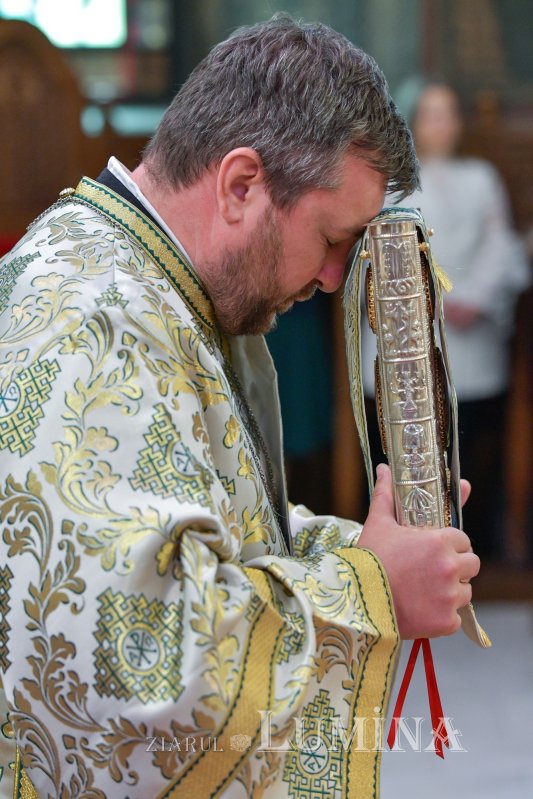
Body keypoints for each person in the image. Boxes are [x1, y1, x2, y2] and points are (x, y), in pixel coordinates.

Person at [0, 19, 479, 799]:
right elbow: (136, 668)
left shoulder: (146, 285)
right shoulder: (93, 320)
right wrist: (370, 587)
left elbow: (206, 521)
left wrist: (367, 544)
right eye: (330, 239)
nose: (331, 279)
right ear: (241, 184)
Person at [362, 79, 530, 561]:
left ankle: (474, 550)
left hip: (472, 342)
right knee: (402, 450)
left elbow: (502, 245)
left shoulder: (482, 177)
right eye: (431, 113)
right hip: (405, 341)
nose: (441, 123)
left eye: (448, 112)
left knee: (471, 446)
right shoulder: (390, 184)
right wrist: (427, 303)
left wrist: (470, 297)